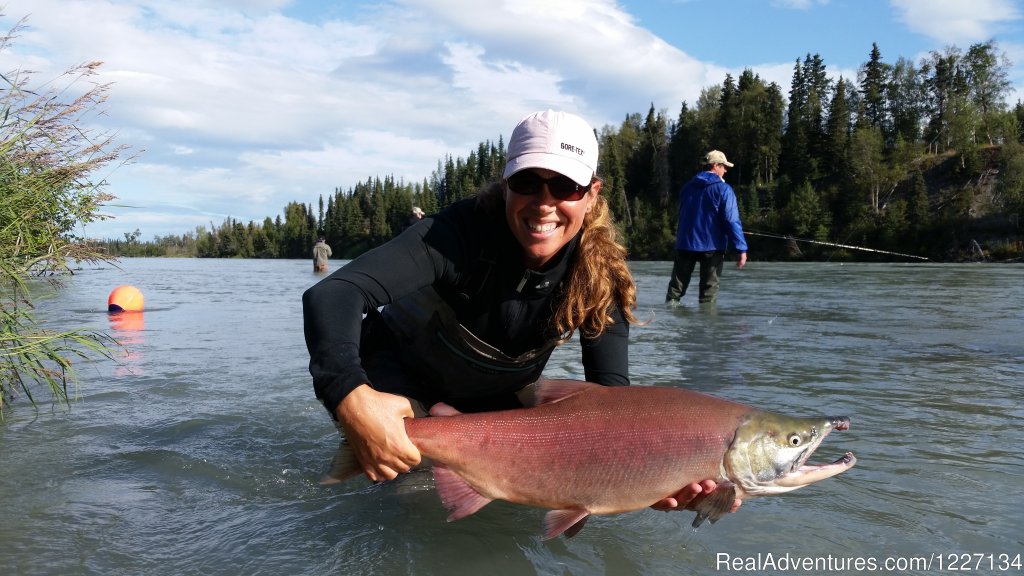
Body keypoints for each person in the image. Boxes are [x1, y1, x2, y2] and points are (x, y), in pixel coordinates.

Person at [303, 110, 740, 514]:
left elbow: (610, 402)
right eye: (528, 182)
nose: (544, 203)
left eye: (565, 186)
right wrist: (353, 399)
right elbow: (334, 294)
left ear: (591, 193)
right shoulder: (452, 235)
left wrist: (642, 478)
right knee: (407, 501)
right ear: (506, 184)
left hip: (494, 406)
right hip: (396, 382)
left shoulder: (598, 275)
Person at [665, 150, 748, 305]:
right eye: (723, 166)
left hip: (685, 244)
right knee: (708, 296)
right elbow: (732, 220)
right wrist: (741, 248)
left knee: (674, 292)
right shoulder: (724, 189)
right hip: (712, 247)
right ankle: (706, 327)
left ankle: (671, 323)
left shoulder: (687, 187)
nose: (725, 170)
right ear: (715, 165)